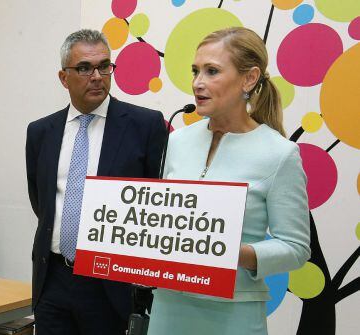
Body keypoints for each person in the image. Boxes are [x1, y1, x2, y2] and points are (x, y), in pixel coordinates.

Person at [148, 27, 311, 334]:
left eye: (212, 71)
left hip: (232, 315)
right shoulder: (177, 141)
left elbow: (296, 247)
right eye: (196, 71)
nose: (198, 83)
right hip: (168, 308)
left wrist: (232, 253)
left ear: (249, 78)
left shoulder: (280, 154)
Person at [26, 29, 167, 334]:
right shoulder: (40, 132)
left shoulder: (145, 125)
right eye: (85, 68)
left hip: (112, 285)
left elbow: (156, 205)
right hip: (53, 279)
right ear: (64, 78)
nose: (97, 76)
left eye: (105, 66)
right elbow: (42, 200)